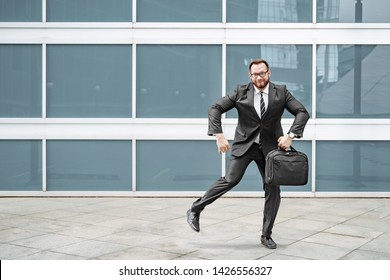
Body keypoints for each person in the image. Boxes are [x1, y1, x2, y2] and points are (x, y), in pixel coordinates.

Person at [186, 59, 309, 249]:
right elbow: (215, 108)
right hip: (245, 145)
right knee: (230, 179)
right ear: (250, 76)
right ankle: (196, 208)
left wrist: (290, 136)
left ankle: (266, 235)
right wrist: (218, 135)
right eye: (255, 74)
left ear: (269, 73)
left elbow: (302, 112)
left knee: (273, 189)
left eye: (262, 73)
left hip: (270, 150)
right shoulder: (240, 91)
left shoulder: (282, 92)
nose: (259, 77)